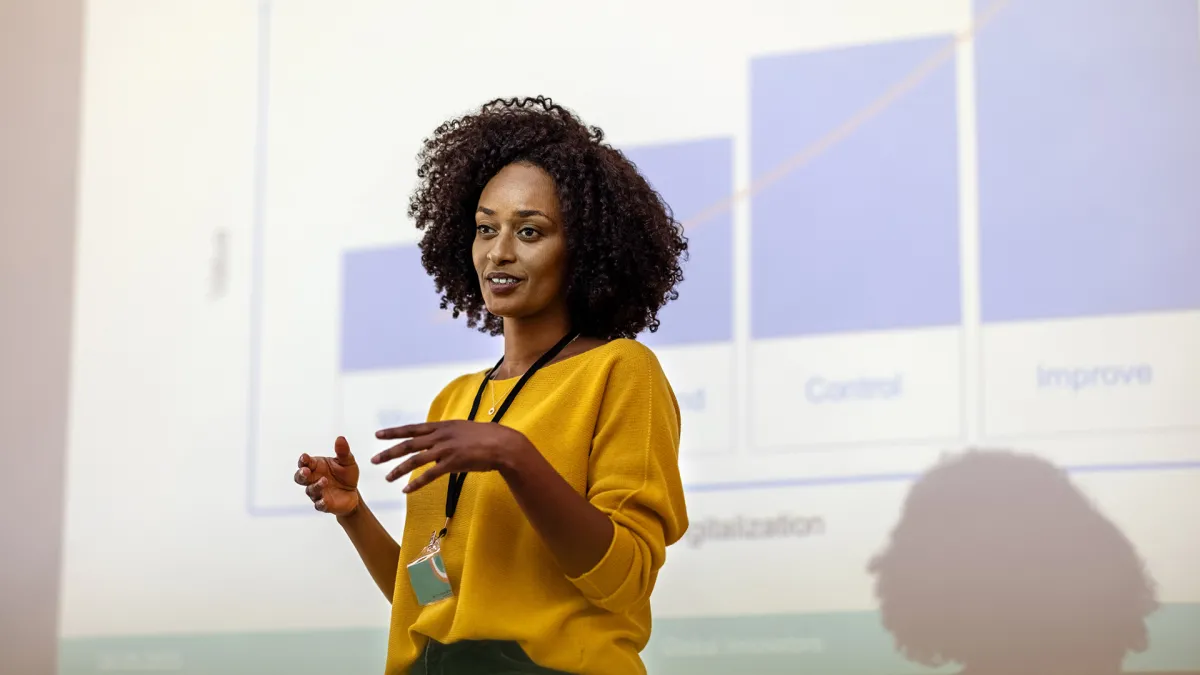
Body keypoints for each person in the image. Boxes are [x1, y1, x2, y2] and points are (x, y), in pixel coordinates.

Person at [294, 96, 691, 675]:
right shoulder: (456, 400)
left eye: (530, 231)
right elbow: (435, 602)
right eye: (485, 229)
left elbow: (623, 579)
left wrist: (514, 456)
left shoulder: (621, 370)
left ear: (583, 249)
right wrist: (354, 513)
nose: (499, 252)